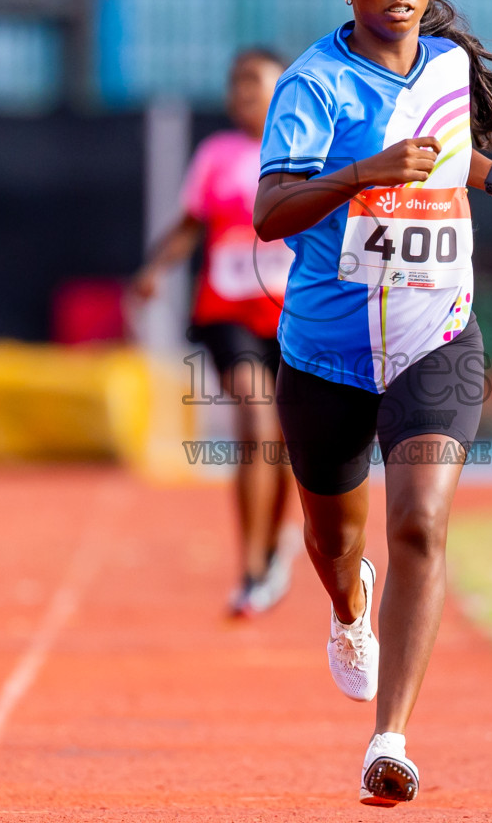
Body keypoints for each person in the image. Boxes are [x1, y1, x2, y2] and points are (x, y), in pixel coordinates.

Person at [253, 0, 492, 807]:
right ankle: (351, 608)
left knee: (421, 519)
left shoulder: (445, 66)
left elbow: (450, 149)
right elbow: (269, 213)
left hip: (438, 335)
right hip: (328, 350)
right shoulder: (314, 84)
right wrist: (359, 175)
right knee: (330, 540)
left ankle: (388, 739)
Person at [133, 48, 299, 617]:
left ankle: (275, 548)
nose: (241, 93)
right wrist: (155, 270)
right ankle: (251, 568)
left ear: (285, 88)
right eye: (234, 83)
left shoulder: (311, 154)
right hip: (228, 313)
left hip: (296, 317)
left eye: (254, 82)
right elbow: (188, 225)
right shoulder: (216, 155)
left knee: (285, 444)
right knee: (255, 422)